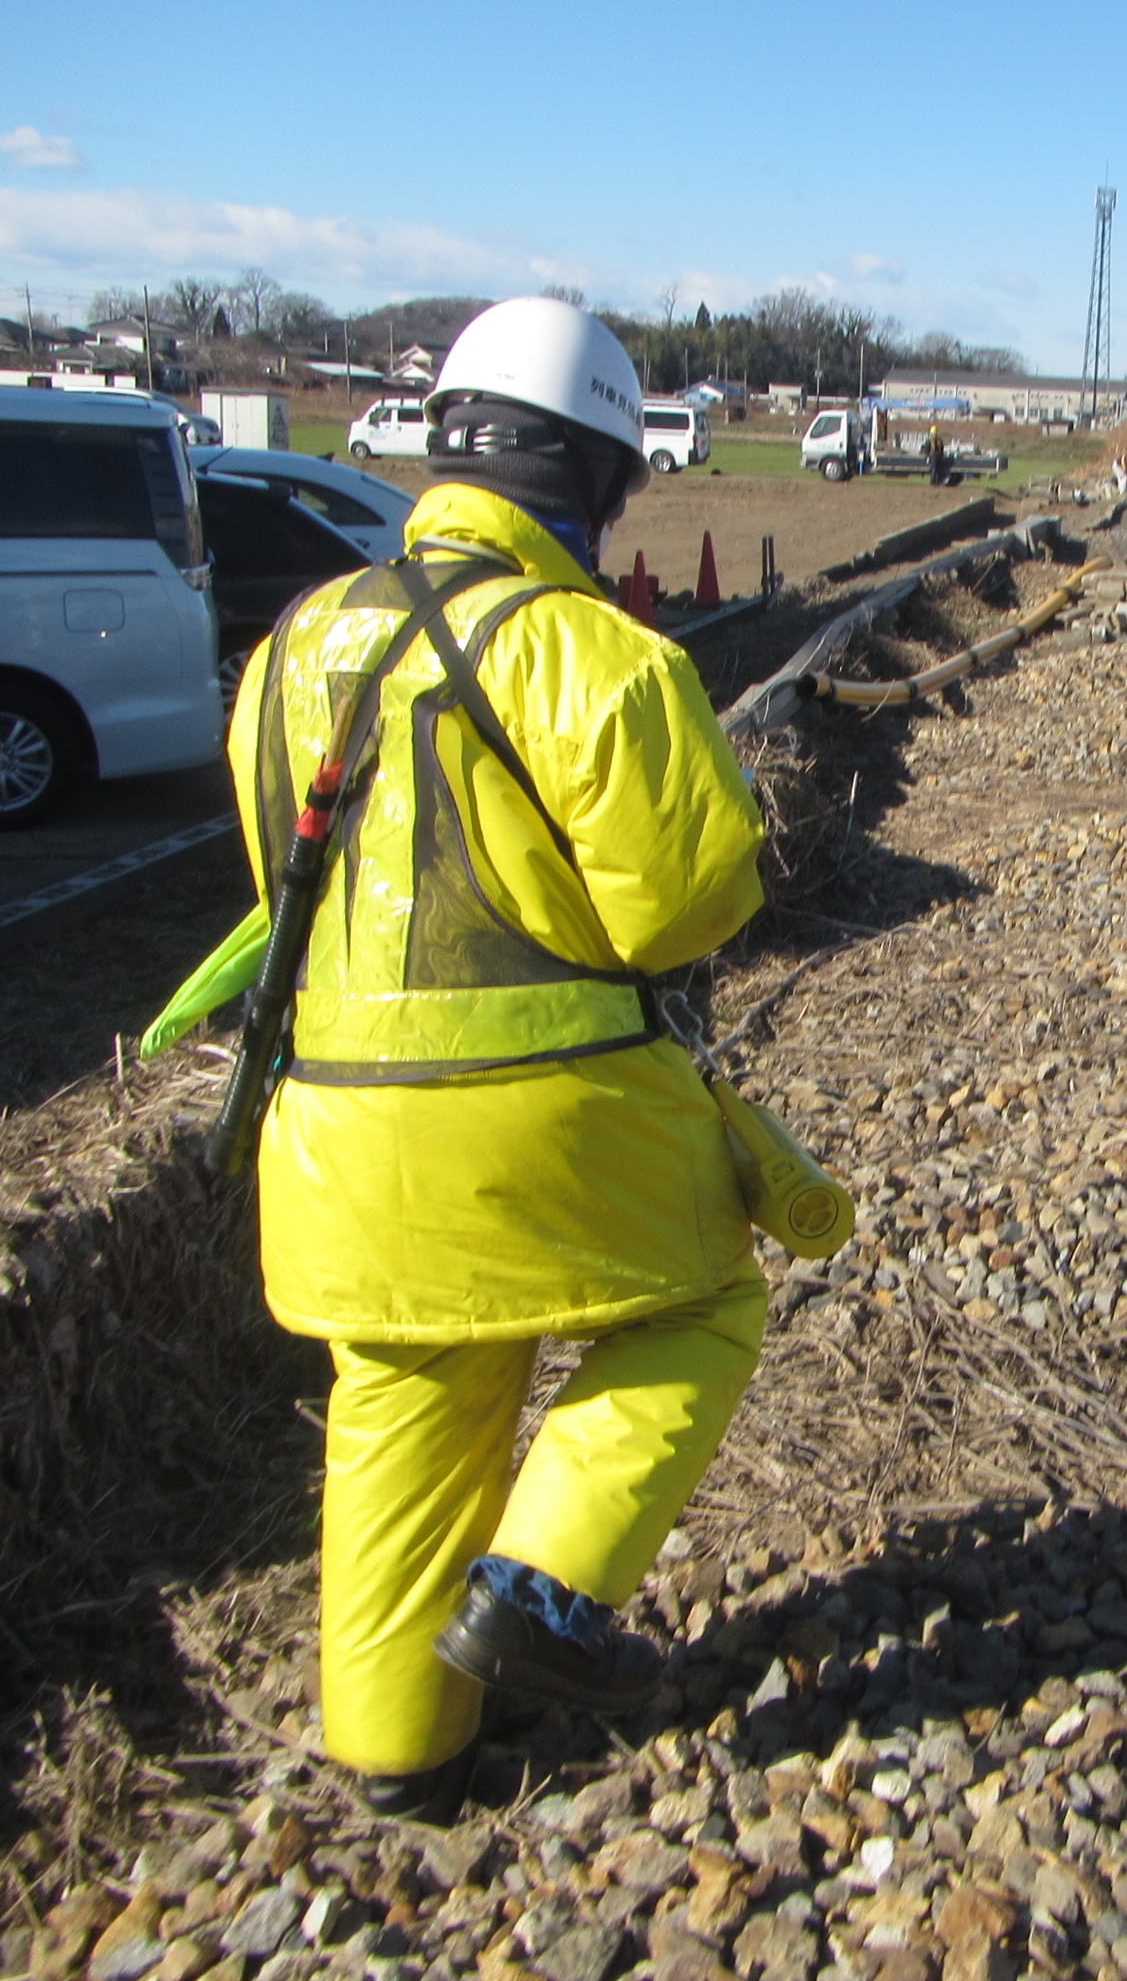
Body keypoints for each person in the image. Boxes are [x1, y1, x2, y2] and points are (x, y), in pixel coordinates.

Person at [221, 296, 770, 1822]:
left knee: (403, 1418)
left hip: (330, 1153)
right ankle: (541, 1590)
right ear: (598, 476)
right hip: (550, 1141)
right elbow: (687, 911)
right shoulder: (595, 656)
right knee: (710, 1305)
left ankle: (404, 1763)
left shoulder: (294, 645)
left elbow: (280, 866)